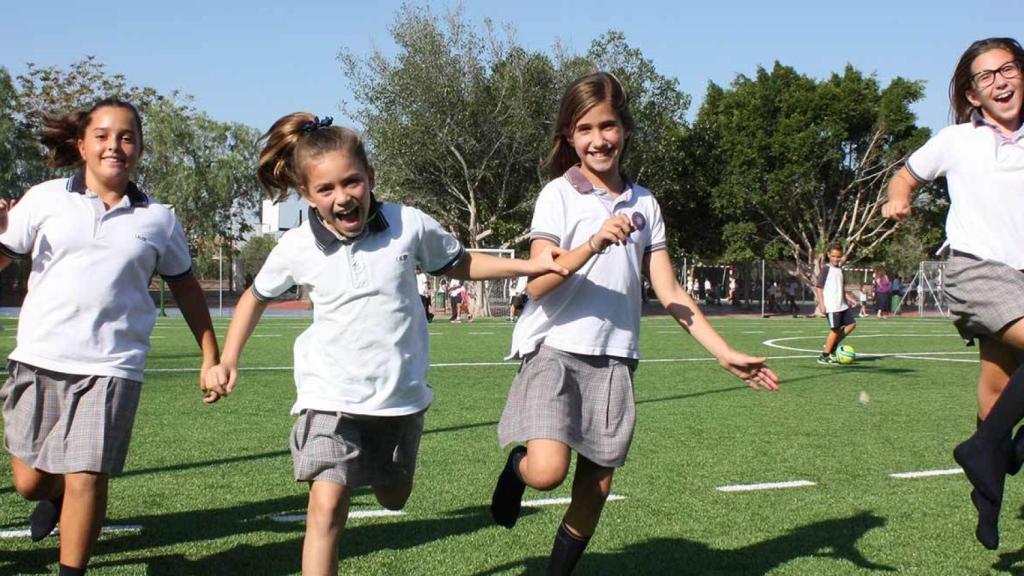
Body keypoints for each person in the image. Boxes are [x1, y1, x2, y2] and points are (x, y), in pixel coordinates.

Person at [202, 114, 567, 576]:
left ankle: (386, 475)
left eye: (352, 182)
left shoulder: (407, 224)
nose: (342, 197)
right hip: (329, 397)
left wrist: (530, 267)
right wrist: (228, 357)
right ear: (307, 196)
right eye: (326, 189)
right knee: (326, 505)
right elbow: (255, 297)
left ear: (370, 178)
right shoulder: (296, 246)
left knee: (394, 497)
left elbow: (461, 264)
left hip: (399, 399)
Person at [487, 72, 779, 576]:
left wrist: (722, 350)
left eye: (608, 126)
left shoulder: (646, 203)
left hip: (616, 358)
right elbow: (536, 285)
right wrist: (593, 243)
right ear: (569, 138)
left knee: (596, 487)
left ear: (624, 128)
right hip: (554, 351)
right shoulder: (558, 194)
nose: (598, 140)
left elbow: (669, 291)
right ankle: (516, 471)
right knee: (548, 473)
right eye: (584, 129)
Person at [0, 98, 219, 576]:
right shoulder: (44, 199)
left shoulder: (158, 218)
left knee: (87, 474)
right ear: (81, 145)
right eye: (102, 135)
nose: (114, 146)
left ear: (139, 148)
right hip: (38, 358)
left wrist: (211, 354)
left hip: (111, 366)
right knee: (29, 482)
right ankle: (52, 497)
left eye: (126, 137)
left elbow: (185, 285)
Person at [884, 37, 1024, 550]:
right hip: (978, 272)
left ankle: (988, 496)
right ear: (971, 95)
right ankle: (991, 448)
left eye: (1008, 69)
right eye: (986, 77)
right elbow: (905, 177)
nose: (1000, 82)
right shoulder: (955, 140)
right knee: (998, 420)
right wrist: (897, 202)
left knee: (995, 393)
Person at [814, 244, 859, 365]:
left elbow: (841, 288)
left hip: (842, 305)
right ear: (828, 255)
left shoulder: (840, 270)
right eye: (833, 256)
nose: (836, 259)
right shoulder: (826, 269)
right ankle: (824, 356)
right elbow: (819, 288)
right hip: (832, 305)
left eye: (838, 256)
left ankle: (832, 345)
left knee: (852, 324)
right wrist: (821, 304)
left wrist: (850, 299)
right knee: (835, 330)